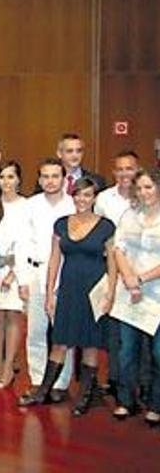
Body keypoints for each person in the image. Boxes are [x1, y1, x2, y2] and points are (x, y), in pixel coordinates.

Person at [19, 177, 116, 416]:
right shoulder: (61, 224)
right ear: (73, 196)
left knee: (91, 343)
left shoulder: (106, 226)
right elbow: (54, 259)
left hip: (95, 289)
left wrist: (110, 293)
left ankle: (84, 396)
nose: (82, 200)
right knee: (60, 341)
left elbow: (113, 262)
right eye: (78, 195)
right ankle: (43, 390)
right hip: (69, 287)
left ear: (94, 198)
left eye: (87, 195)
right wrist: (51, 291)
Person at [19, 158, 76, 402]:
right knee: (35, 332)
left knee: (63, 333)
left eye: (55, 176)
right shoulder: (30, 205)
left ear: (64, 179)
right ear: (39, 179)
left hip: (67, 277)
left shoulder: (75, 205)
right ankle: (38, 380)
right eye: (46, 176)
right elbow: (22, 243)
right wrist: (23, 279)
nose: (50, 181)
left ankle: (60, 384)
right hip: (36, 273)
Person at [111, 169, 160, 425]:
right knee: (127, 351)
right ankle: (125, 400)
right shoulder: (129, 215)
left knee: (158, 354)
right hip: (130, 292)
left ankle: (156, 404)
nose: (143, 193)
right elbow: (118, 248)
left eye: (149, 187)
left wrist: (141, 279)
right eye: (139, 188)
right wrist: (130, 278)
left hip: (157, 294)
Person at [95, 150, 141, 397]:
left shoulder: (146, 195)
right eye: (120, 169)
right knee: (113, 328)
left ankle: (141, 383)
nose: (125, 174)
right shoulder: (103, 199)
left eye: (129, 168)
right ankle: (115, 379)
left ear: (137, 169)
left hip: (141, 271)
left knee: (141, 327)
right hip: (111, 269)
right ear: (114, 172)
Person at [0, 161, 28, 389]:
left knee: (13, 315)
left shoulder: (26, 205)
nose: (6, 182)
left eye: (11, 177)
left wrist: (14, 272)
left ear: (18, 179)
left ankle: (10, 364)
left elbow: (27, 242)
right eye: (2, 177)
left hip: (17, 268)